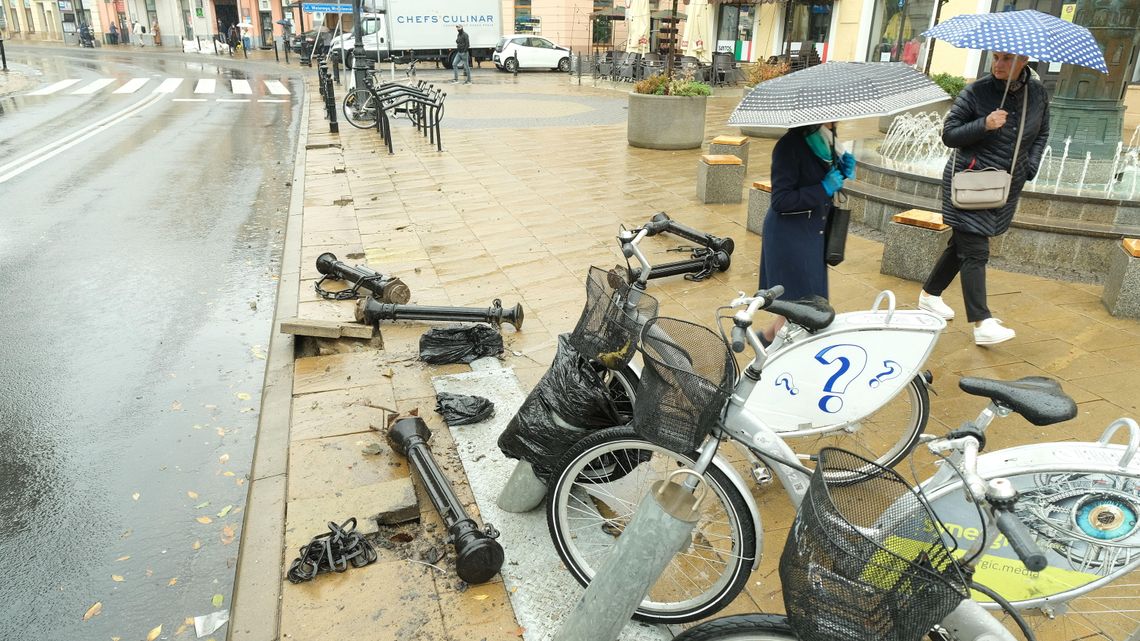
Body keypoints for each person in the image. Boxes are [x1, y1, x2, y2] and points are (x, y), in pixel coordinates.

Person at [917, 51, 1050, 346]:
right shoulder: (976, 91)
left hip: (1005, 186)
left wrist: (1030, 167)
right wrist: (984, 125)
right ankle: (982, 322)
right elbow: (949, 135)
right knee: (975, 249)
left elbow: (1042, 134)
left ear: (1024, 61)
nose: (999, 65)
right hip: (969, 182)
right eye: (996, 58)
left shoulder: (1038, 94)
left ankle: (929, 295)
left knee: (961, 245)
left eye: (1007, 59)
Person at [757, 123, 856, 343]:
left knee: (802, 304)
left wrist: (841, 171)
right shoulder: (788, 146)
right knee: (799, 306)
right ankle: (773, 360)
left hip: (812, 234)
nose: (836, 118)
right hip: (790, 238)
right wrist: (823, 188)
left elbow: (816, 177)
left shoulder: (825, 139)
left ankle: (766, 338)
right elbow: (781, 200)